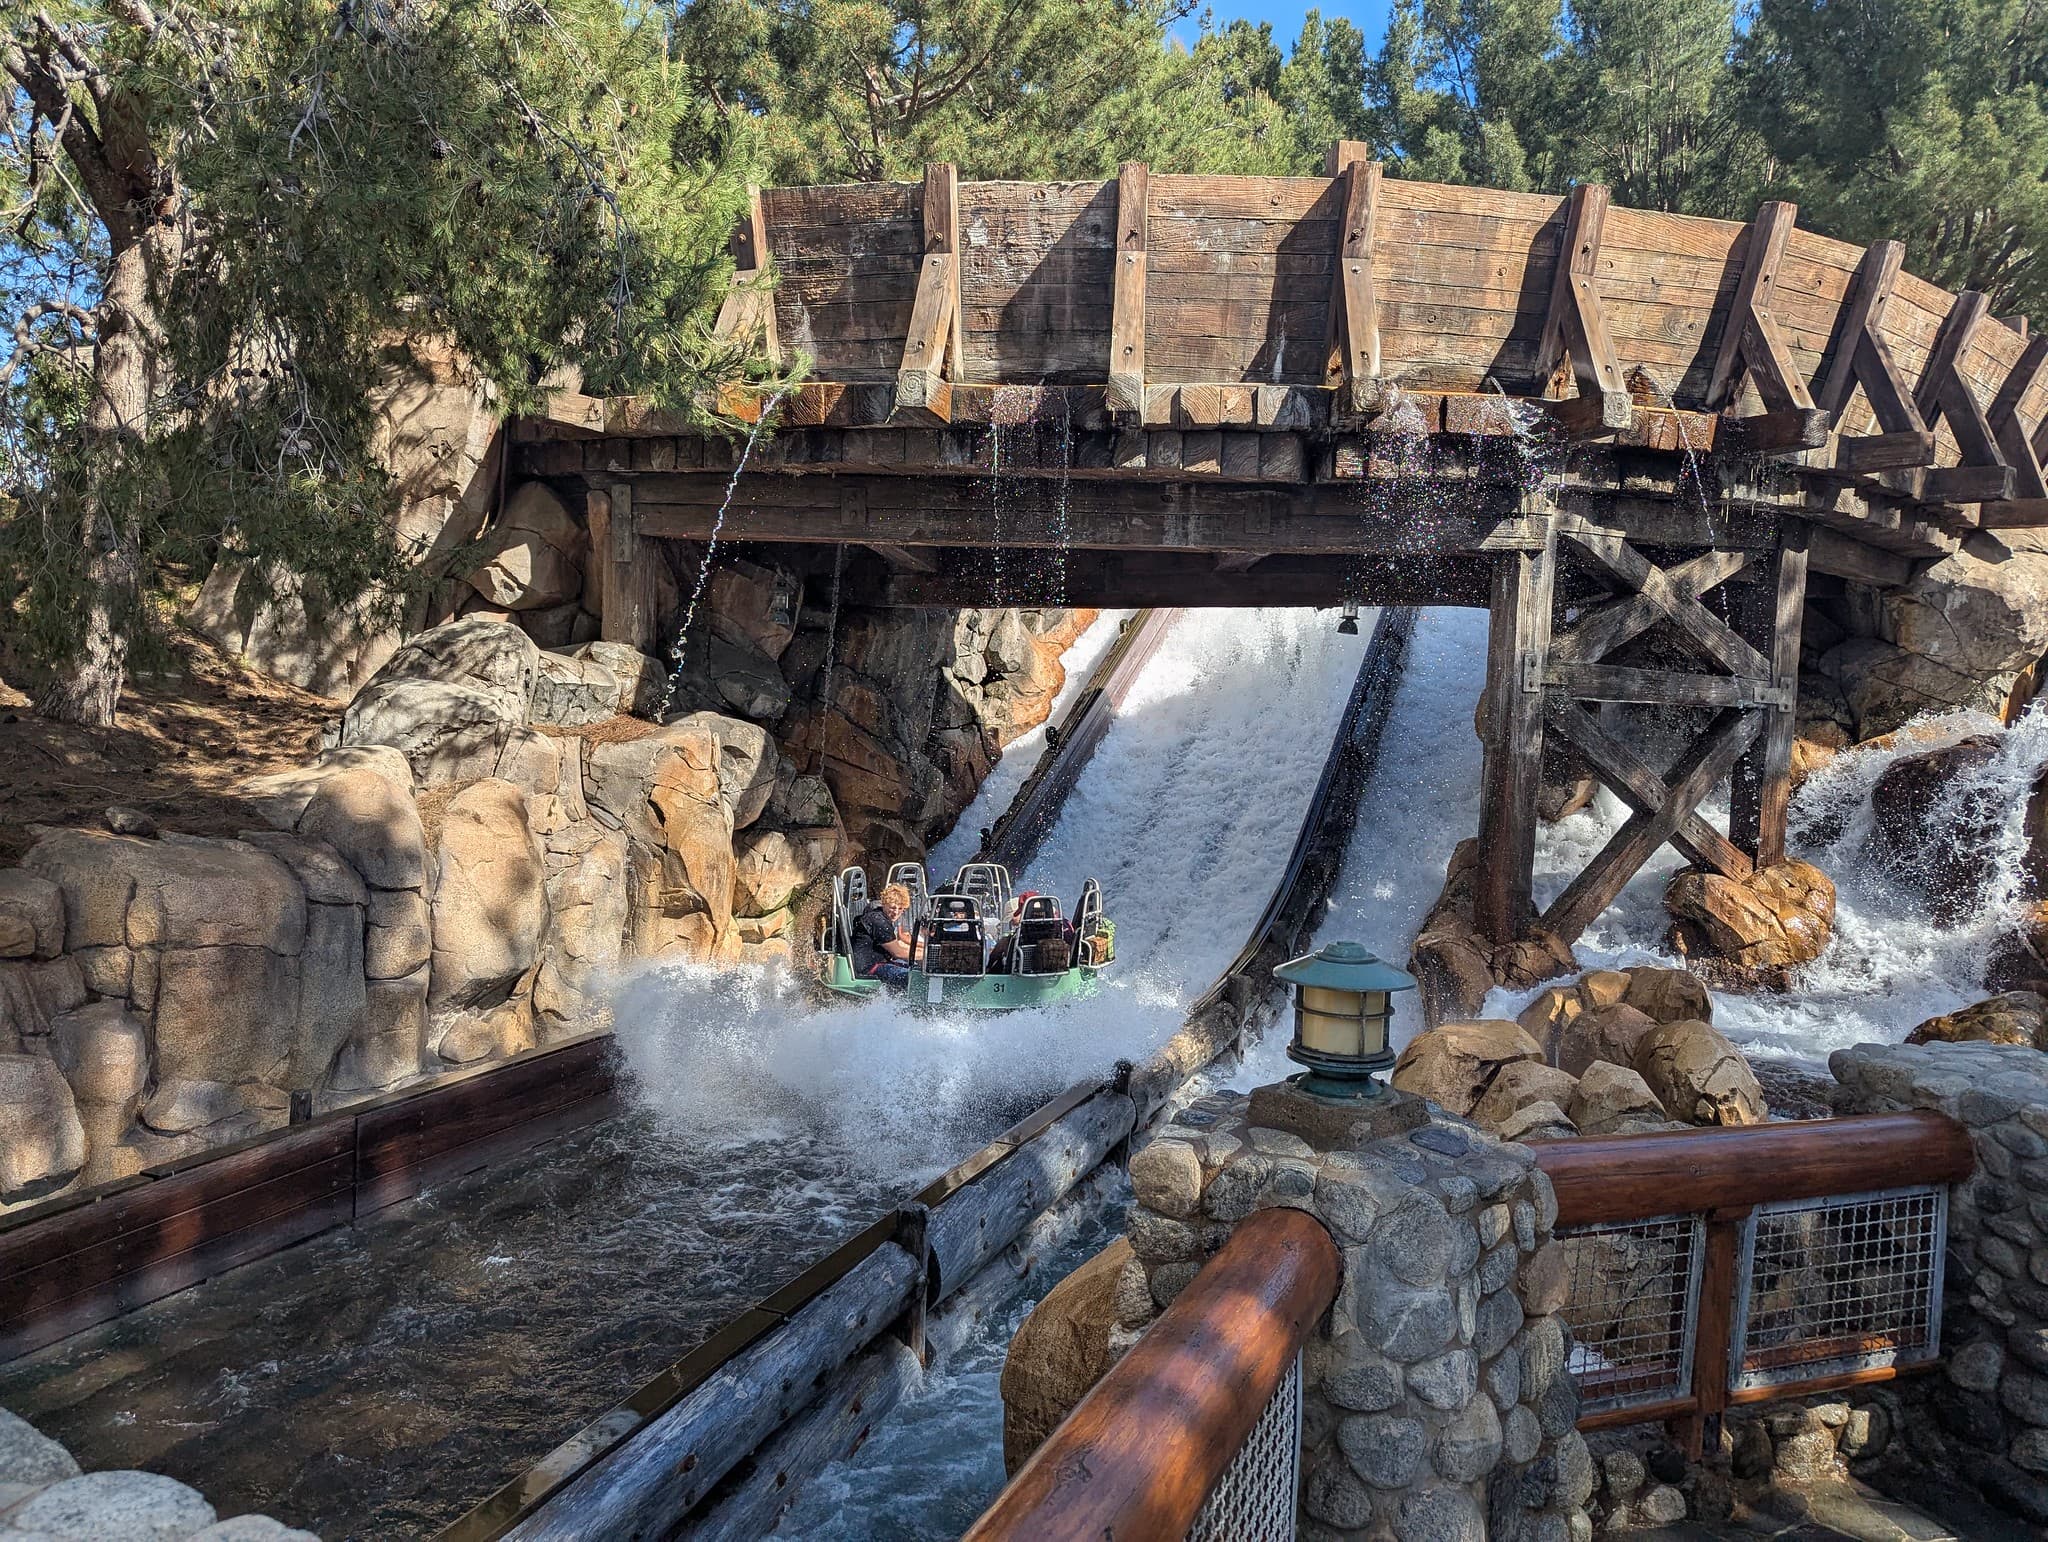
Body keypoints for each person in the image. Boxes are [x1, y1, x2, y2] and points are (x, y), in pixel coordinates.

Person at [852, 882, 915, 988]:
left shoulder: (882, 918)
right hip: (869, 968)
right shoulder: (878, 921)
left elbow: (898, 946)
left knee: (916, 969)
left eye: (900, 909)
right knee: (913, 978)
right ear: (884, 904)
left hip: (880, 962)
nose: (896, 912)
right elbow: (897, 952)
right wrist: (925, 956)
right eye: (893, 908)